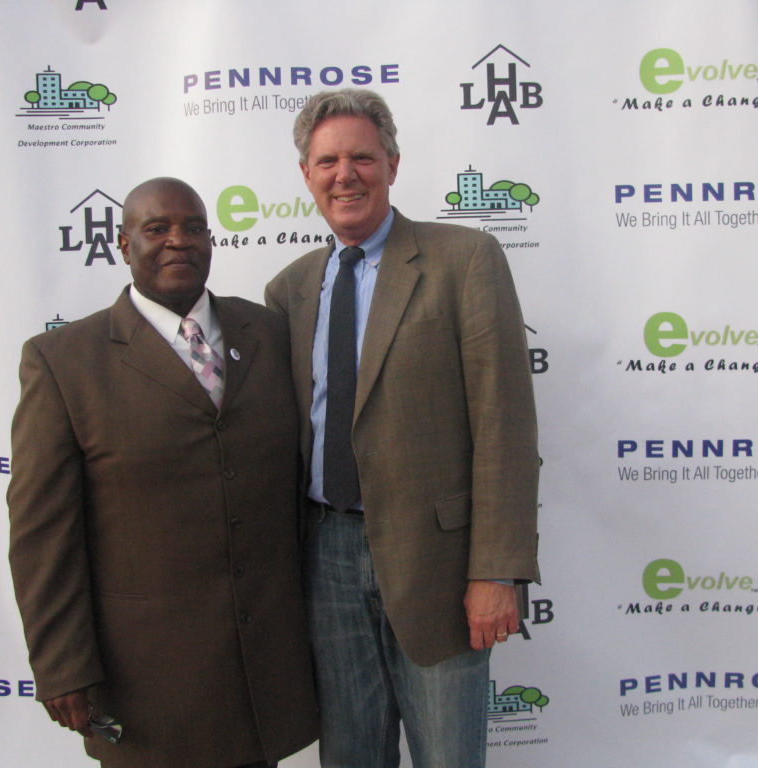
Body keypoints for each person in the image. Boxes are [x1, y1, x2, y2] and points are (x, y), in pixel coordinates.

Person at [265, 90, 540, 768]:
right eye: (327, 161)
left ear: (392, 163)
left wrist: (496, 570)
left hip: (440, 563)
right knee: (351, 754)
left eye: (362, 156)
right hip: (323, 554)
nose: (345, 174)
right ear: (306, 175)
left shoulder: (464, 260)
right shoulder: (289, 291)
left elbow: (503, 421)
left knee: (448, 755)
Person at [8, 177, 317, 768]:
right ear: (122, 245)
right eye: (157, 229)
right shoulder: (64, 362)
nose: (178, 241)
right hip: (148, 686)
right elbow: (42, 536)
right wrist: (61, 664)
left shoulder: (271, 335)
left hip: (262, 675)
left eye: (193, 227)